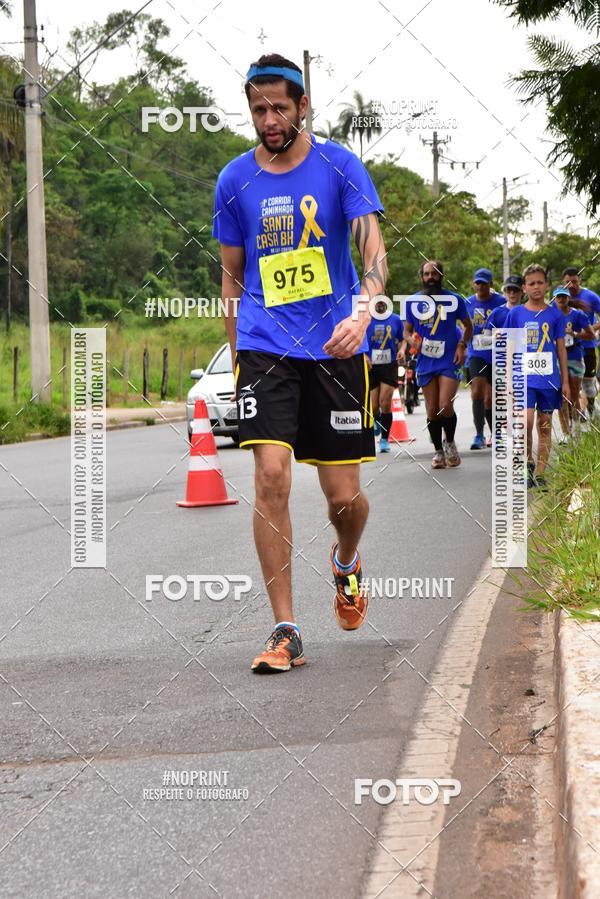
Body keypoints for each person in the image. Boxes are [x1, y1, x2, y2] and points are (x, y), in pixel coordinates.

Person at [212, 54, 387, 673]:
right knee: (271, 478)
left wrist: (363, 314)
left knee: (344, 498)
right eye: (258, 109)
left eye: (279, 108)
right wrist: (238, 360)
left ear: (303, 106)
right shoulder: (234, 179)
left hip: (336, 348)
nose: (268, 120)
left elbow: (372, 254)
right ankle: (285, 628)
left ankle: (345, 560)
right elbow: (232, 275)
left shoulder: (340, 166)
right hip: (265, 346)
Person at [402, 260, 472, 469]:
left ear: (441, 275)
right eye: (426, 274)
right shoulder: (412, 301)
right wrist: (409, 339)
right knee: (432, 410)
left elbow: (468, 326)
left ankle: (449, 442)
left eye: (434, 273)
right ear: (421, 277)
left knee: (445, 405)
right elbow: (406, 330)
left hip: (449, 359)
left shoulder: (454, 299)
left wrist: (461, 345)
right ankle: (438, 451)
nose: (430, 277)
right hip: (425, 359)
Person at [505, 265, 568, 489]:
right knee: (525, 422)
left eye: (540, 282)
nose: (536, 287)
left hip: (549, 379)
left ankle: (540, 473)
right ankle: (526, 464)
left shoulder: (555, 314)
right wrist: (508, 380)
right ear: (524, 287)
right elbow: (509, 348)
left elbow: (561, 349)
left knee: (544, 425)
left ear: (547, 285)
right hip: (524, 378)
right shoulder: (515, 314)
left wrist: (566, 382)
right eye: (531, 283)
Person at [464, 268, 506, 449]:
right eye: (477, 282)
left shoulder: (501, 302)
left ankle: (496, 434)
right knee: (477, 392)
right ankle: (479, 435)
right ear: (474, 284)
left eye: (484, 283)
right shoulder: (468, 303)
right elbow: (463, 325)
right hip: (477, 353)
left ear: (491, 284)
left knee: (492, 399)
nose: (480, 286)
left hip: (497, 354)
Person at [552, 286, 594, 441]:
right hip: (557, 358)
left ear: (568, 298)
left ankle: (576, 425)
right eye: (558, 297)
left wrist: (575, 334)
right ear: (554, 299)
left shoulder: (578, 315)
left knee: (574, 393)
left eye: (564, 296)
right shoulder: (551, 315)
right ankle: (565, 433)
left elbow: (590, 335)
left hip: (574, 356)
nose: (561, 299)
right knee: (561, 396)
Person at [562, 267, 600, 420]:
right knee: (570, 385)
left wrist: (590, 329)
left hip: (588, 345)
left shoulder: (591, 296)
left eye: (574, 282)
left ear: (580, 281)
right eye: (567, 282)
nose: (571, 285)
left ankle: (591, 408)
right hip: (568, 348)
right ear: (563, 282)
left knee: (588, 385)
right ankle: (577, 415)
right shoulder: (559, 296)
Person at [366, 301, 403, 452]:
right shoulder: (365, 318)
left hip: (389, 365)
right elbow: (359, 339)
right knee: (374, 406)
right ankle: (377, 420)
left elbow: (403, 339)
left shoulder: (395, 319)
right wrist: (364, 356)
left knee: (385, 402)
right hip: (371, 365)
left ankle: (384, 440)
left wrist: (402, 350)